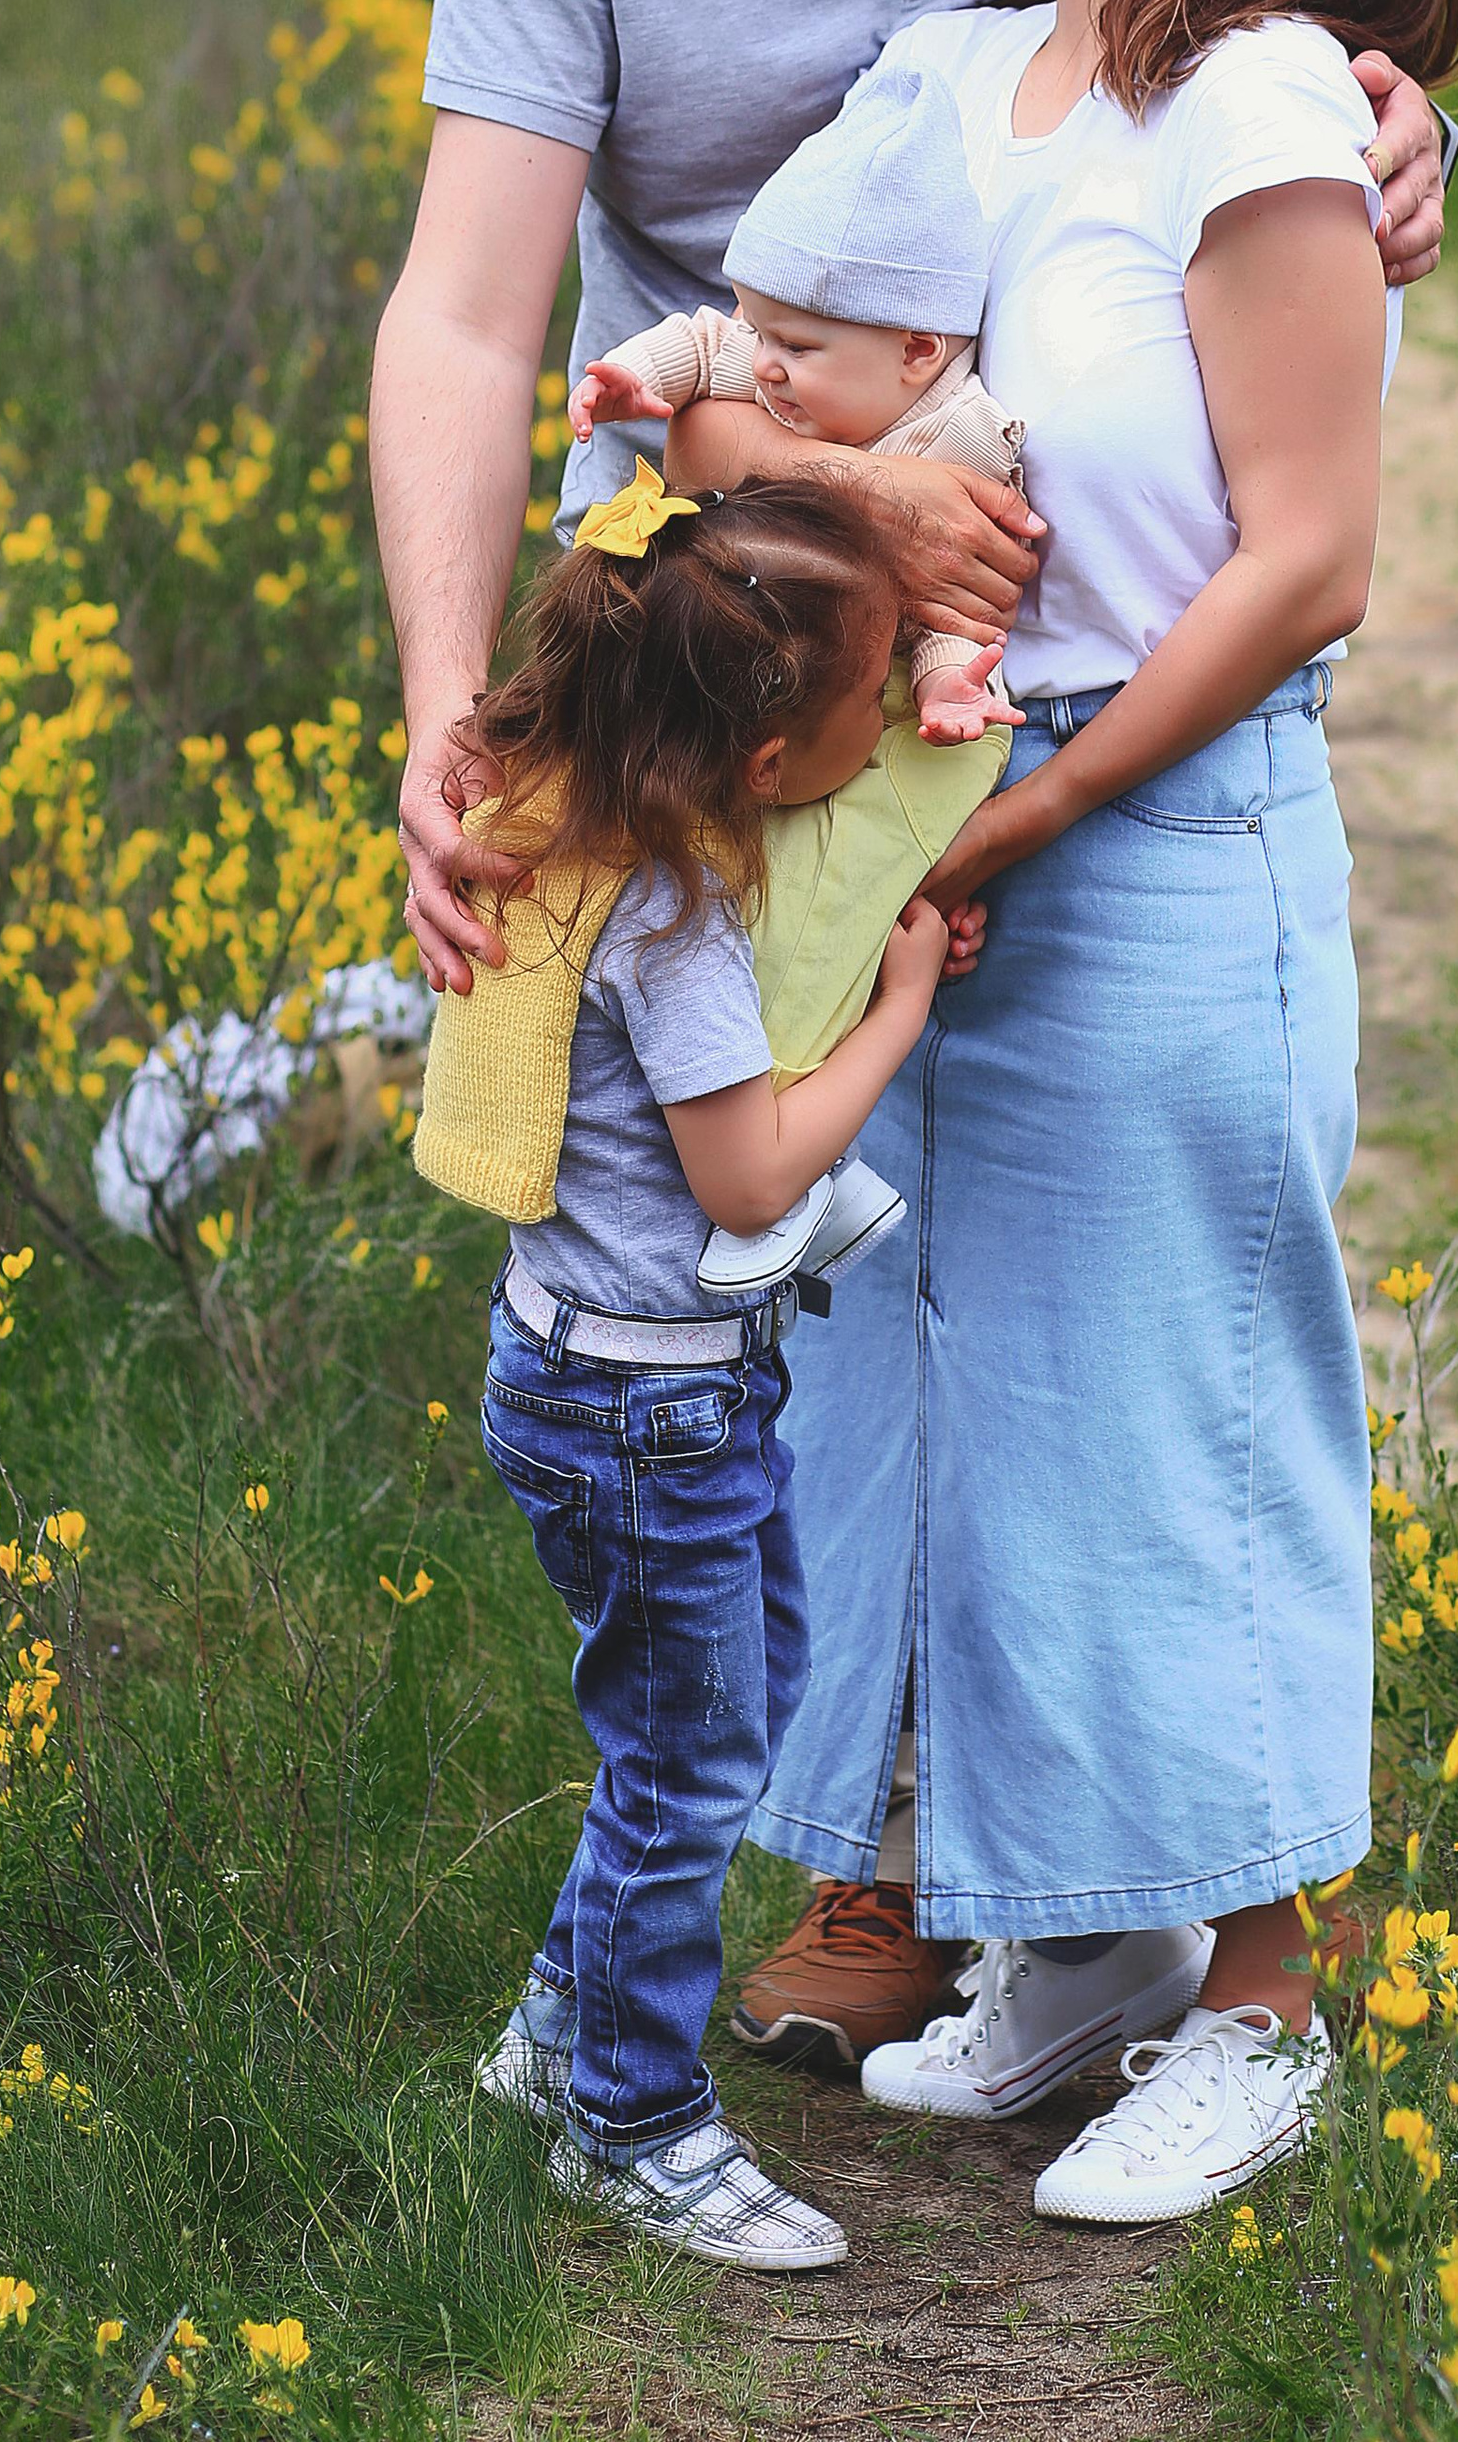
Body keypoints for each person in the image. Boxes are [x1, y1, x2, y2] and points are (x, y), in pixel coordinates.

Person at [373, 0, 1454, 2065]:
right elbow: (476, 308)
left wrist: (1384, 104)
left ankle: (1158, 1916)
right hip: (742, 623)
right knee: (822, 1270)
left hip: (1038, 682)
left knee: (1103, 1293)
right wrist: (452, 700)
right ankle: (886, 1853)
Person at [667, 0, 1458, 2221]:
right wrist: (806, 498)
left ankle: (1263, 1998)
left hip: (1153, 817)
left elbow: (1308, 557)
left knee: (1179, 1400)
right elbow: (747, 377)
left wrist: (1032, 812)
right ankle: (1083, 1949)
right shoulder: (950, 77)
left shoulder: (1260, 102)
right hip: (932, 808)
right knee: (959, 1397)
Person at [465, 462, 950, 2274]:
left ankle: (558, 2031)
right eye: (873, 691)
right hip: (644, 1410)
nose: (887, 718)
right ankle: (632, 2115)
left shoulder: (605, 828)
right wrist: (901, 1007)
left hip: (619, 1384)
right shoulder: (669, 922)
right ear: (760, 756)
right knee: (686, 1761)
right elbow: (750, 1176)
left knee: (714, 1718)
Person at [572, 65, 1027, 744]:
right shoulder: (779, 370)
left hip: (866, 712)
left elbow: (955, 600)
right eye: (758, 330)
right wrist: (636, 375)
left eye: (795, 346)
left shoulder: (962, 438)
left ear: (915, 352)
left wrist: (947, 683)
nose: (762, 363)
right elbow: (704, 343)